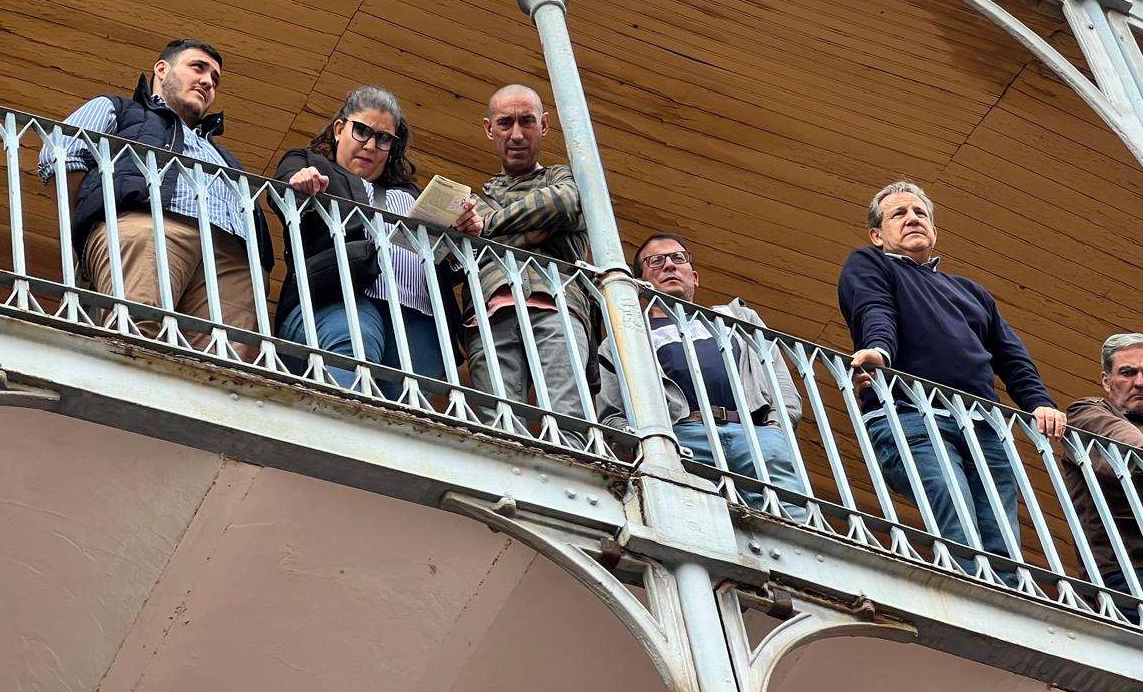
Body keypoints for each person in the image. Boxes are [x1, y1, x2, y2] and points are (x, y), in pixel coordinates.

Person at [839, 180, 1066, 561]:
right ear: (877, 234)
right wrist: (879, 352)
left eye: (920, 213)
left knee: (1003, 542)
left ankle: (1005, 610)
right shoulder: (870, 263)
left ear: (934, 230)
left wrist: (1039, 402)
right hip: (912, 415)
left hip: (983, 425)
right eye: (899, 214)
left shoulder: (972, 292)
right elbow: (875, 311)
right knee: (958, 525)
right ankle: (975, 610)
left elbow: (1011, 356)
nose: (912, 219)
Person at [38, 39, 272, 356]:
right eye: (198, 68)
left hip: (230, 258)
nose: (207, 82)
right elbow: (61, 155)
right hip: (151, 227)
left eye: (215, 79)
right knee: (136, 335)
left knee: (221, 365)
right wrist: (95, 222)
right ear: (162, 69)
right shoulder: (120, 110)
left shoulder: (224, 155)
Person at [598, 233, 810, 521]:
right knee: (698, 524)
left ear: (694, 276)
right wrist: (650, 443)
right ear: (640, 283)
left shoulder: (736, 320)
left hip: (754, 435)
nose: (669, 266)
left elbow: (779, 381)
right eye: (655, 261)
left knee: (793, 523)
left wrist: (775, 429)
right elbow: (611, 412)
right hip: (681, 439)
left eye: (678, 258)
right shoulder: (625, 338)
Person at [274, 86, 470, 398]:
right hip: (339, 295)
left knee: (409, 399)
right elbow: (285, 189)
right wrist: (300, 182)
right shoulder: (312, 163)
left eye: (383, 138)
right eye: (361, 130)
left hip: (418, 312)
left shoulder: (411, 195)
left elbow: (448, 263)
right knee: (354, 345)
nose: (370, 145)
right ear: (340, 129)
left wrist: (462, 233)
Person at [462, 85, 594, 440]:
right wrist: (534, 232)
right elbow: (464, 254)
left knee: (567, 418)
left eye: (527, 121)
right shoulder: (478, 199)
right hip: (491, 314)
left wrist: (489, 227)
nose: (516, 134)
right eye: (505, 123)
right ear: (490, 129)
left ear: (545, 125)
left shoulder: (564, 177)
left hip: (556, 304)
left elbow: (563, 203)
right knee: (499, 427)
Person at [1063, 332, 1143, 605]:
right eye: (1128, 372)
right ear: (1107, 381)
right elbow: (1133, 456)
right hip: (1128, 569)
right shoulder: (1087, 413)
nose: (1140, 382)